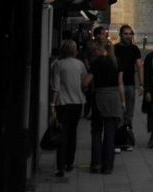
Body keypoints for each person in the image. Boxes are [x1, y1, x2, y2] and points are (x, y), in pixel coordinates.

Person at [50, 39, 91, 178]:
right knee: (72, 133)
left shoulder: (58, 64)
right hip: (77, 102)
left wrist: (52, 105)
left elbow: (56, 87)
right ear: (75, 51)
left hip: (62, 103)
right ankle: (70, 162)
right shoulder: (80, 64)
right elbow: (84, 83)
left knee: (62, 134)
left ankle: (60, 165)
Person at [89, 39, 124, 174]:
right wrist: (123, 102)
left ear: (99, 49)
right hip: (114, 98)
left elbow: (86, 81)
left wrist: (82, 84)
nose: (94, 52)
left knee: (97, 132)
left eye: (95, 49)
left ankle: (96, 164)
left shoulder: (97, 62)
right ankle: (108, 166)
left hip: (100, 98)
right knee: (110, 133)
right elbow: (120, 83)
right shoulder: (116, 62)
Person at [114, 24, 143, 149]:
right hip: (117, 85)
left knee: (129, 114)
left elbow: (139, 66)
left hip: (130, 85)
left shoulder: (135, 49)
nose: (128, 36)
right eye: (125, 34)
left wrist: (141, 84)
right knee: (118, 113)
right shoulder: (115, 48)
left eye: (130, 33)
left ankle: (126, 141)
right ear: (120, 35)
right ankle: (117, 141)